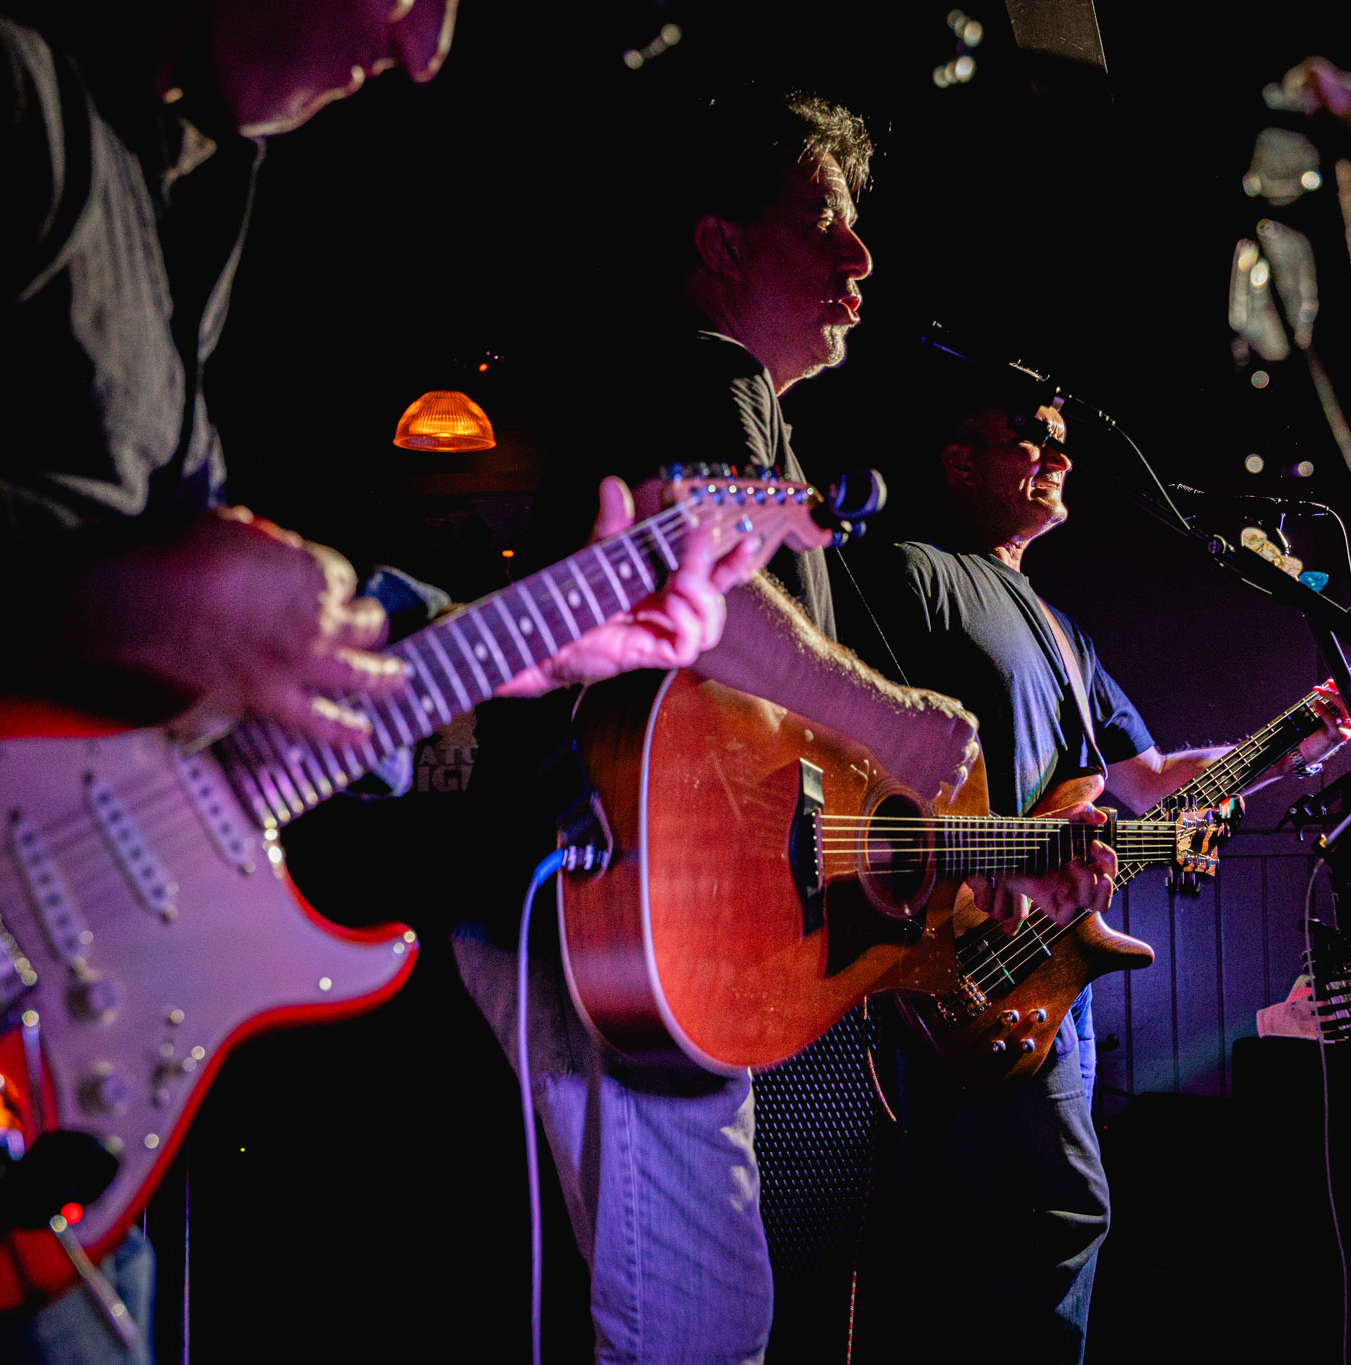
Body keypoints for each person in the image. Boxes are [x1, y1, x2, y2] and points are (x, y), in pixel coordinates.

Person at [0, 4, 757, 1360]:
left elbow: (229, 658)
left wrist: (528, 648)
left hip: (61, 1034)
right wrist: (126, 596)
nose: (426, 52)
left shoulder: (194, 189)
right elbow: (148, 597)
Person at [451, 88, 1115, 1364]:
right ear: (720, 242)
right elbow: (684, 582)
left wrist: (993, 860)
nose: (861, 258)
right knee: (699, 1324)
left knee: (710, 1316)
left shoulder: (754, 421)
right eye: (826, 222)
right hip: (615, 905)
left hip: (666, 919)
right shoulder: (700, 374)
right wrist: (896, 714)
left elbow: (814, 798)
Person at [839, 382, 1351, 1362]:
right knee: (1044, 1217)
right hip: (949, 951)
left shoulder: (1064, 632)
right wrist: (975, 866)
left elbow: (1145, 777)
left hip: (1044, 974)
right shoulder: (915, 573)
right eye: (1031, 438)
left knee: (1035, 1224)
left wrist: (1294, 738)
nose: (1058, 456)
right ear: (960, 461)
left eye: (1064, 443)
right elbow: (864, 752)